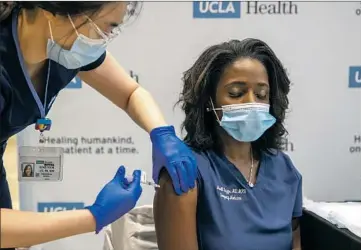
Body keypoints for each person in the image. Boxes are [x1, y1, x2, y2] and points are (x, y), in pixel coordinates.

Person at [0, 1, 196, 249]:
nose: (105, 39)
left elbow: (130, 93)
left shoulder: (61, 45)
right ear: (56, 9)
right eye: (105, 27)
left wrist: (162, 133)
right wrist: (94, 216)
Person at [154, 39, 303, 250]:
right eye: (236, 93)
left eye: (261, 95)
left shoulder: (284, 169)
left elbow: (295, 241)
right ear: (209, 101)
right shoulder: (185, 170)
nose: (251, 103)